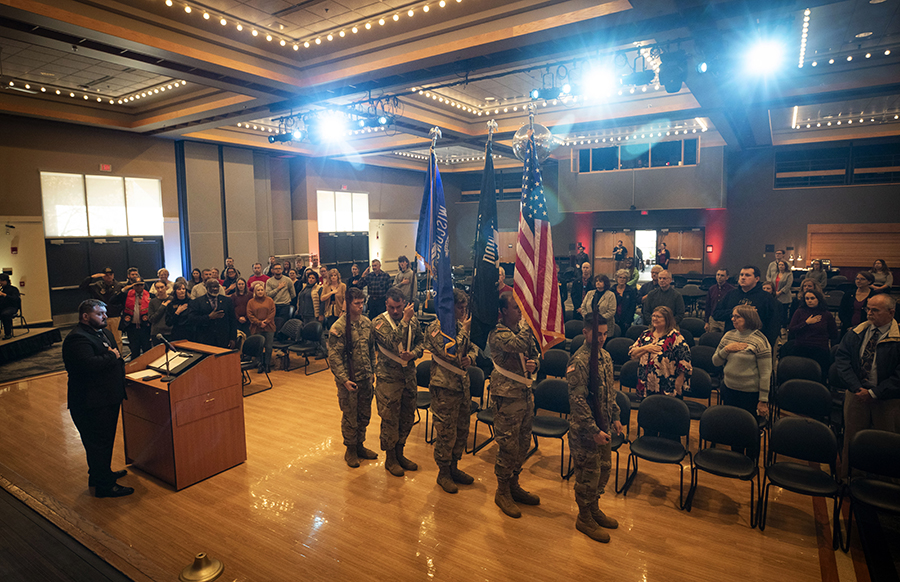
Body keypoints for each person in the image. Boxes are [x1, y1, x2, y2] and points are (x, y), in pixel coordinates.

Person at [62, 299, 132, 498]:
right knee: (98, 443)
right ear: (85, 316)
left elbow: (115, 356)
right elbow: (88, 366)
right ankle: (104, 487)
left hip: (107, 397)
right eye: (99, 314)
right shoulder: (77, 338)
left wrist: (114, 357)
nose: (104, 317)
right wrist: (112, 356)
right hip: (91, 401)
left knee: (104, 441)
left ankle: (100, 474)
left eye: (105, 313)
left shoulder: (103, 332)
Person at [567, 313, 622, 543]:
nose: (601, 338)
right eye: (597, 334)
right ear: (585, 333)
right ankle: (584, 517)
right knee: (587, 477)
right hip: (585, 432)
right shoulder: (578, 361)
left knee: (603, 471)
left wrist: (616, 416)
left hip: (604, 427)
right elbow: (578, 401)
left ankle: (594, 508)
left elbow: (609, 392)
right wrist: (593, 430)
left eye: (604, 334)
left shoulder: (605, 357)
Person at [833, 294, 900, 478]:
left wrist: (874, 393)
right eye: (868, 309)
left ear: (891, 312)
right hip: (856, 394)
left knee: (885, 443)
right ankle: (848, 480)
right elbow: (842, 360)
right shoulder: (857, 332)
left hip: (887, 399)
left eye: (875, 310)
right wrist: (856, 388)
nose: (869, 313)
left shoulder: (897, 337)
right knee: (852, 439)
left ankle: (883, 485)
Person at [488, 292, 541, 518]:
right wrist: (530, 320)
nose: (520, 311)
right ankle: (502, 491)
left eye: (521, 308)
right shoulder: (497, 333)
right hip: (507, 397)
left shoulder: (521, 331)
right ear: (503, 312)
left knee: (523, 444)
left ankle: (513, 485)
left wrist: (535, 364)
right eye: (516, 308)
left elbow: (535, 352)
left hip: (524, 394)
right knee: (508, 446)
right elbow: (518, 344)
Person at [425, 288, 478, 493]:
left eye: (465, 307)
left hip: (462, 385)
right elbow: (450, 353)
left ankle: (454, 466)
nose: (464, 311)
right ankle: (443, 472)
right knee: (446, 431)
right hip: (444, 387)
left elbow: (473, 347)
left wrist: (471, 358)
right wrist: (464, 331)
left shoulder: (459, 326)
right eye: (460, 307)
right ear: (450, 307)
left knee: (462, 429)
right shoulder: (436, 328)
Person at [373, 287, 425, 477]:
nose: (396, 311)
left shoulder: (413, 321)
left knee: (407, 417)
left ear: (404, 304)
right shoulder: (379, 322)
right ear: (386, 304)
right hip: (388, 379)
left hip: (408, 376)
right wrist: (404, 320)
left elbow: (422, 341)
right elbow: (391, 341)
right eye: (392, 307)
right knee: (389, 419)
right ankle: (390, 458)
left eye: (399, 307)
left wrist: (414, 354)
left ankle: (400, 452)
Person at [328, 287, 378, 468]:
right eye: (356, 303)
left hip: (365, 378)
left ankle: (360, 445)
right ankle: (350, 448)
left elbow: (372, 349)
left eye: (362, 303)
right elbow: (334, 357)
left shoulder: (367, 323)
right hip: (349, 381)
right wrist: (343, 379)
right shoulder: (338, 328)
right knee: (350, 416)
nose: (361, 307)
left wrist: (373, 370)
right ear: (347, 304)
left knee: (364, 415)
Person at [712, 305, 772, 425]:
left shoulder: (760, 340)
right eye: (732, 316)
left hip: (749, 394)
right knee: (732, 426)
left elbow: (765, 373)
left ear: (748, 318)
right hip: (729, 388)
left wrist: (763, 400)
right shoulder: (728, 335)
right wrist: (727, 349)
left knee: (747, 428)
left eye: (737, 317)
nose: (733, 319)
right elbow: (715, 361)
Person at [629, 306, 692, 396]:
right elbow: (632, 353)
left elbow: (685, 360)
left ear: (667, 319)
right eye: (653, 316)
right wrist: (646, 348)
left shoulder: (675, 336)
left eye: (658, 316)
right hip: (645, 383)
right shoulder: (646, 334)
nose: (655, 318)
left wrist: (680, 380)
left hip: (667, 384)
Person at [713, 265, 781, 347]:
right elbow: (716, 314)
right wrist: (735, 312)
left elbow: (774, 324)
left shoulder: (766, 298)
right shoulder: (731, 294)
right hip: (732, 340)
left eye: (747, 275)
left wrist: (767, 344)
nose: (743, 277)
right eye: (741, 275)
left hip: (755, 342)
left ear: (757, 279)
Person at [783, 288, 837, 381]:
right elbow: (791, 330)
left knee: (819, 376)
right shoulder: (799, 311)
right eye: (807, 299)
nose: (809, 301)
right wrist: (806, 323)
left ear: (818, 299)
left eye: (812, 298)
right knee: (800, 375)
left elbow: (833, 334)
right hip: (801, 347)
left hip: (819, 348)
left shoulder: (826, 314)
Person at [79, 267, 124, 348]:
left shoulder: (119, 286)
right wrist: (92, 277)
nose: (109, 276)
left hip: (115, 316)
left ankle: (118, 357)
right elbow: (82, 287)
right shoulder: (98, 286)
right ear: (103, 276)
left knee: (117, 339)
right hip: (100, 317)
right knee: (104, 338)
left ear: (113, 275)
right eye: (106, 275)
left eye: (110, 274)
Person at [188, 279, 237, 348]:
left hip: (223, 338)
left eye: (217, 287)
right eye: (212, 287)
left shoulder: (226, 300)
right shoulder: (197, 302)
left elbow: (232, 320)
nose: (215, 289)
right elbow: (191, 319)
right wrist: (209, 317)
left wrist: (233, 338)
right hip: (205, 339)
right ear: (206, 287)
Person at [111, 278, 152, 359]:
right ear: (133, 286)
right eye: (136, 285)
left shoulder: (150, 295)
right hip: (131, 327)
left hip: (145, 327)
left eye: (141, 285)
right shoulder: (126, 295)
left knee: (147, 350)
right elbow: (112, 301)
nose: (139, 287)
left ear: (144, 285)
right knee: (134, 350)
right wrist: (123, 290)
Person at [247, 281, 276, 374]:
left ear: (264, 290)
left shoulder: (270, 300)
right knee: (258, 347)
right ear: (255, 291)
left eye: (261, 290)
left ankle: (267, 364)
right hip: (256, 327)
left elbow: (272, 312)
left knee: (268, 347)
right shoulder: (251, 302)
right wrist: (259, 323)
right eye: (258, 290)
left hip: (269, 327)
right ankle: (259, 364)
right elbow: (249, 314)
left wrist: (266, 322)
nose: (260, 291)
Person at [839, 271, 876, 337]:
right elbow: (842, 312)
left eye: (862, 279)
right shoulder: (848, 294)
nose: (858, 281)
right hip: (848, 328)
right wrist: (848, 326)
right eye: (857, 279)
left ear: (869, 281)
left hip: (867, 328)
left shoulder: (874, 296)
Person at [705, 268, 735, 333]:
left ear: (727, 277)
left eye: (722, 275)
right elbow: (708, 306)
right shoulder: (711, 289)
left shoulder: (732, 290)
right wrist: (706, 322)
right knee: (712, 339)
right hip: (713, 319)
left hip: (725, 319)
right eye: (718, 275)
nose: (719, 277)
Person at [769, 260, 793, 327]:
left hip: (784, 296)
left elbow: (788, 285)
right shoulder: (775, 274)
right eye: (779, 265)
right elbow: (772, 283)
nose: (781, 266)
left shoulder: (789, 274)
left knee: (783, 313)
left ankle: (784, 327)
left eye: (782, 265)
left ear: (785, 266)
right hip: (775, 295)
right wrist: (774, 292)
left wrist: (780, 292)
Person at [0, 273, 22, 340]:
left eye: (1, 281)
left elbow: (15, 299)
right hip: (2, 307)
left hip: (12, 307)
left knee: (5, 314)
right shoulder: (1, 289)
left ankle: (8, 334)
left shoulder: (13, 289)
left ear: (6, 281)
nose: (0, 282)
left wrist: (4, 295)